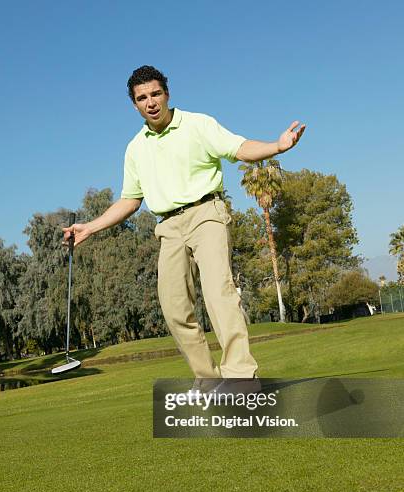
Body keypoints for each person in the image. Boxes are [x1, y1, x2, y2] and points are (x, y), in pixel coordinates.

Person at [63, 65, 305, 396]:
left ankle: (241, 378)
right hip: (169, 227)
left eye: (155, 94)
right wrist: (90, 227)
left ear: (167, 94)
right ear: (134, 105)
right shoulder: (135, 148)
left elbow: (239, 148)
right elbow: (130, 200)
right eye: (142, 98)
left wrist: (277, 146)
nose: (150, 102)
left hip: (207, 213)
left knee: (220, 294)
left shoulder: (197, 124)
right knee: (175, 307)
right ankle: (207, 380)